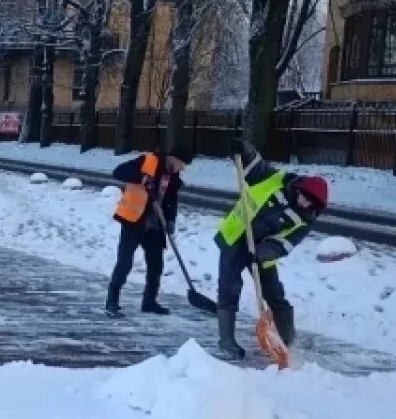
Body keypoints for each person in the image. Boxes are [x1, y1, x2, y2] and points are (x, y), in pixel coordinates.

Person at [215, 137, 329, 360]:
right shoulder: (276, 179)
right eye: (305, 198)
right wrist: (244, 149)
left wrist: (268, 250)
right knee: (229, 288)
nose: (305, 204)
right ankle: (226, 340)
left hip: (263, 249)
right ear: (300, 188)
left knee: (274, 292)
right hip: (236, 236)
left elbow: (288, 242)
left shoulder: (306, 218)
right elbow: (255, 164)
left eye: (311, 204)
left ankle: (288, 339)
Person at [105, 144, 195, 317]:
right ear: (173, 158)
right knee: (124, 263)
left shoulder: (174, 177)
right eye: (182, 163)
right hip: (134, 221)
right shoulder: (147, 161)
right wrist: (142, 178)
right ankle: (112, 302)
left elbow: (172, 202)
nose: (182, 168)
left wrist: (170, 221)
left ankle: (149, 302)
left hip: (155, 226)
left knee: (156, 265)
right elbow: (118, 171)